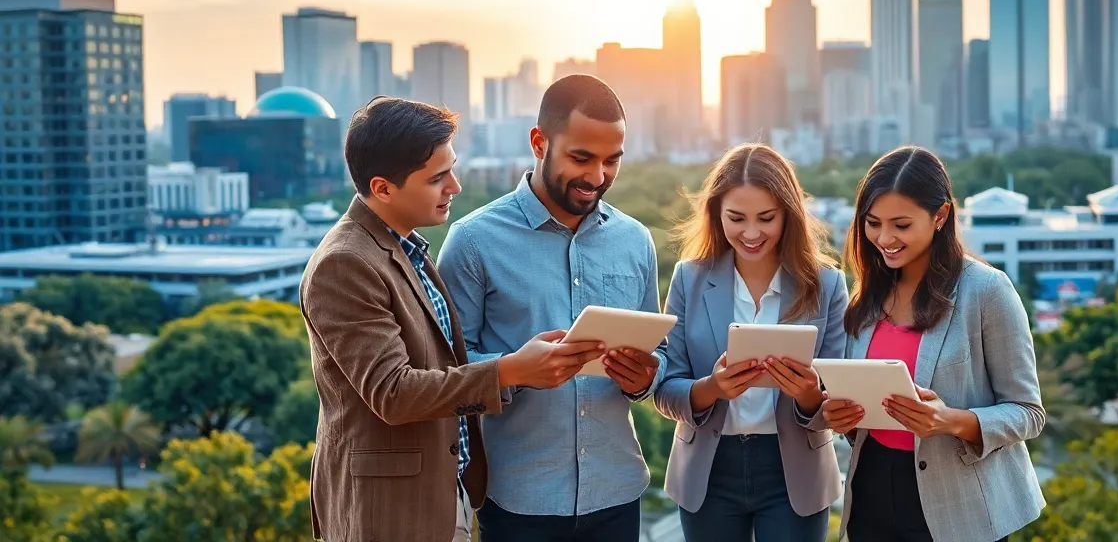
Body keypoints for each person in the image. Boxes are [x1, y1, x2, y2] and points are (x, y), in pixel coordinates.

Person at [300, 97, 608, 542]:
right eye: (437, 178)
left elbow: (439, 367)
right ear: (383, 188)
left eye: (452, 169)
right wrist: (511, 370)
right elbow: (393, 393)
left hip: (444, 491)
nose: (455, 187)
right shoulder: (346, 263)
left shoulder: (406, 249)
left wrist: (518, 365)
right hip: (387, 511)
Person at [439, 75, 664, 542]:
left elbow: (659, 363)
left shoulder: (635, 241)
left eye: (612, 160)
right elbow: (442, 375)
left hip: (617, 493)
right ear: (539, 143)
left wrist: (645, 378)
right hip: (519, 498)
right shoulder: (473, 241)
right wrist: (513, 371)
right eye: (581, 158)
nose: (597, 177)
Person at [818, 146, 1045, 542]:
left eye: (901, 225)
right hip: (871, 490)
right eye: (872, 223)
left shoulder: (987, 291)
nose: (884, 238)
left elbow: (1028, 412)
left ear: (940, 215)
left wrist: (951, 421)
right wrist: (841, 419)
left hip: (960, 502)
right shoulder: (866, 296)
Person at [654, 144, 846, 542]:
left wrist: (810, 394)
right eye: (736, 218)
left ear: (788, 216)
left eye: (767, 218)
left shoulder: (826, 285)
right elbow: (664, 388)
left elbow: (840, 400)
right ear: (716, 214)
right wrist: (712, 388)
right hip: (708, 472)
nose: (752, 233)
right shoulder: (689, 279)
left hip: (794, 473)